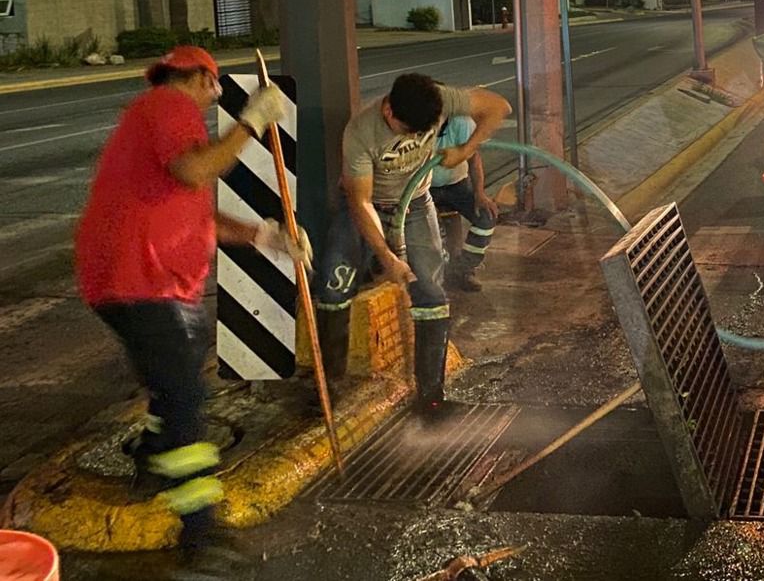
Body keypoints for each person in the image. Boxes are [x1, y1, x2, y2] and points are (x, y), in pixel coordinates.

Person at [75, 45, 306, 576]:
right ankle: (200, 534)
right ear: (202, 77)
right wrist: (249, 122)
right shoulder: (170, 107)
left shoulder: (161, 122)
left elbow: (197, 211)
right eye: (216, 87)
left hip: (153, 282)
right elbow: (196, 173)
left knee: (177, 376)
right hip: (136, 279)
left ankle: (153, 453)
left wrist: (267, 237)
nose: (215, 97)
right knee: (184, 393)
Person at [313, 73, 510, 415]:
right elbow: (361, 204)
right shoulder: (361, 133)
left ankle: (432, 395)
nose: (419, 138)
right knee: (333, 286)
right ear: (389, 111)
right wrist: (387, 256)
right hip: (368, 205)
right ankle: (330, 389)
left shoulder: (441, 97)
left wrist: (465, 149)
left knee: (432, 294)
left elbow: (498, 107)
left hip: (417, 202)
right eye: (410, 132)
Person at [429, 114, 500, 293]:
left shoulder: (461, 123)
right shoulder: (413, 124)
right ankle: (428, 275)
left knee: (486, 215)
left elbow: (474, 159)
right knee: (425, 227)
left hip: (457, 185)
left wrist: (480, 193)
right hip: (424, 189)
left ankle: (464, 268)